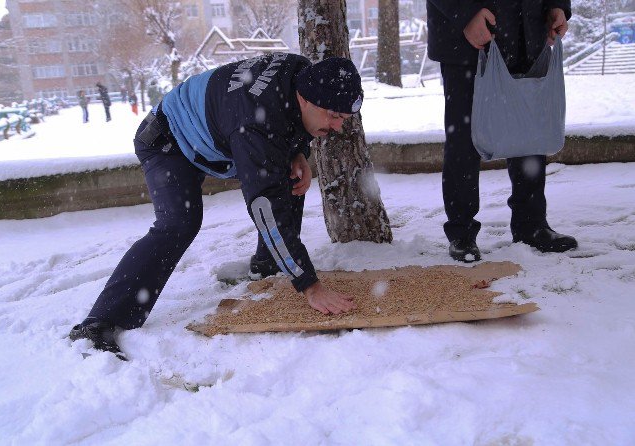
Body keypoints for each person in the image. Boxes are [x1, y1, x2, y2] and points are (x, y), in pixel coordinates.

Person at [69, 54, 363, 359]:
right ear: (304, 98)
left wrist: (298, 152)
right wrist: (309, 286)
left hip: (219, 130)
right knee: (179, 223)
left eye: (343, 118)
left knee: (289, 177)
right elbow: (265, 209)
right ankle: (98, 323)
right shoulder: (256, 123)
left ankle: (268, 268)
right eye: (333, 116)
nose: (338, 126)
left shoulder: (303, 73)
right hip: (167, 140)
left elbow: (288, 124)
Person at [426, 0, 578, 262]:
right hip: (465, 38)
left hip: (527, 29)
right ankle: (461, 232)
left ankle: (531, 224)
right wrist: (465, 14)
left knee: (528, 132)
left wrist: (557, 5)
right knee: (465, 136)